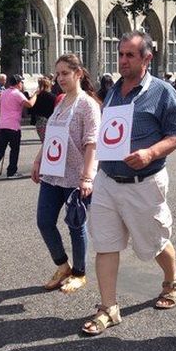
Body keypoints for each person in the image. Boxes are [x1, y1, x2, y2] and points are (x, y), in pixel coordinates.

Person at [81, 31, 176, 336]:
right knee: (105, 244)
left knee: (154, 243)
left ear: (147, 58)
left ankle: (171, 281)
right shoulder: (113, 91)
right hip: (107, 181)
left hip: (144, 182)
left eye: (130, 55)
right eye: (121, 54)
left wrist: (150, 152)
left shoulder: (163, 92)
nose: (123, 60)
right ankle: (108, 308)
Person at [31, 54, 101, 294]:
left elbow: (92, 143)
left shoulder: (87, 105)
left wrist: (87, 177)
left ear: (78, 73)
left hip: (75, 177)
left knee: (75, 225)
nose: (60, 78)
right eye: (57, 73)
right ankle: (63, 265)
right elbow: (52, 135)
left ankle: (79, 273)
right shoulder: (60, 101)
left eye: (65, 73)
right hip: (52, 174)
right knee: (44, 222)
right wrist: (38, 160)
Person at [0, 75, 38, 180]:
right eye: (21, 82)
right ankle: (11, 171)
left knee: (1, 148)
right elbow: (29, 104)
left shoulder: (4, 92)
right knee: (14, 149)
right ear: (18, 83)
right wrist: (35, 95)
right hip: (13, 126)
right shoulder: (17, 94)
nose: (22, 84)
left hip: (2, 124)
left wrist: (3, 116)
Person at [29, 77, 56, 142]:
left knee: (44, 142)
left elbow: (31, 109)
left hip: (39, 122)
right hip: (50, 121)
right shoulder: (53, 97)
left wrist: (33, 121)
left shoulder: (36, 96)